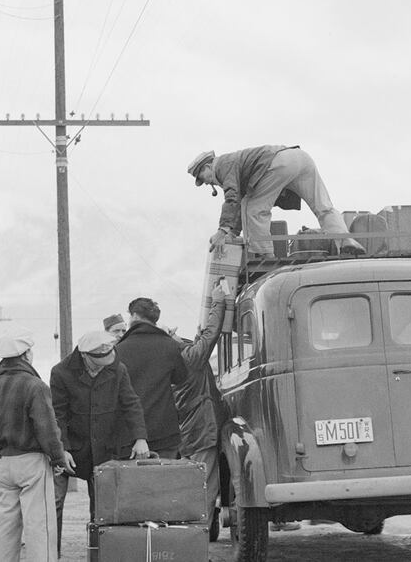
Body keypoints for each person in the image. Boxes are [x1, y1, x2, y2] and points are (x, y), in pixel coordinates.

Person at [49, 330, 151, 551]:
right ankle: (51, 553)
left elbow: (131, 404)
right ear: (85, 356)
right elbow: (58, 415)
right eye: (98, 362)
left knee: (103, 507)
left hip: (105, 449)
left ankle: (100, 552)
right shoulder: (60, 373)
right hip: (72, 450)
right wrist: (61, 449)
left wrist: (140, 437)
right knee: (54, 503)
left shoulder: (117, 368)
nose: (103, 366)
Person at [188, 145, 366, 259]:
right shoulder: (233, 163)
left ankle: (266, 256)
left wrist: (222, 231)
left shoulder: (222, 165)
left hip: (278, 164)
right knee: (323, 206)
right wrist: (233, 233)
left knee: (254, 209)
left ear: (207, 166)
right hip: (301, 158)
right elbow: (239, 203)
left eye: (202, 178)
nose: (207, 183)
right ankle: (346, 240)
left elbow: (232, 198)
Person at [0, 330, 68, 562]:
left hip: (3, 462)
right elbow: (47, 429)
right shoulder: (35, 386)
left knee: (5, 526)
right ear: (26, 355)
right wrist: (58, 459)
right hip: (31, 462)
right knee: (39, 525)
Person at [172, 282, 233, 540]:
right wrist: (218, 302)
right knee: (204, 484)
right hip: (201, 430)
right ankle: (197, 536)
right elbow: (209, 337)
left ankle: (200, 530)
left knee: (196, 483)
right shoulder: (188, 359)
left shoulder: (178, 361)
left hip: (190, 431)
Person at [112, 296, 191, 459]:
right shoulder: (170, 345)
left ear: (134, 316)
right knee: (164, 481)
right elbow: (181, 377)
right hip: (165, 432)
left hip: (129, 435)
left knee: (132, 483)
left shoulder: (118, 350)